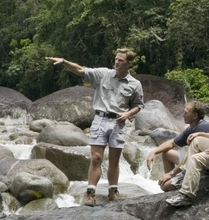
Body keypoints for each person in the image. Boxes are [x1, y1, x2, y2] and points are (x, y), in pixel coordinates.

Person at [45, 49, 144, 206]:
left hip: (118, 123)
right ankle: (90, 193)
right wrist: (64, 61)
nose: (117, 62)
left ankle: (113, 192)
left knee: (114, 159)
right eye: (116, 59)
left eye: (120, 60)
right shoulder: (103, 74)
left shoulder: (135, 84)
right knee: (96, 158)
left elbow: (138, 105)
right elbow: (81, 70)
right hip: (100, 119)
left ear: (129, 63)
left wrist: (128, 114)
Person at [147, 101, 209, 192]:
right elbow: (172, 143)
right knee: (167, 153)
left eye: (186, 113)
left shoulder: (202, 127)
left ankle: (176, 186)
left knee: (164, 186)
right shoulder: (192, 127)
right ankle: (174, 180)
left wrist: (171, 174)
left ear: (195, 116)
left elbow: (190, 158)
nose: (183, 115)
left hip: (203, 168)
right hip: (192, 161)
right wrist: (154, 152)